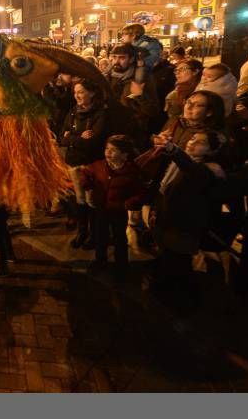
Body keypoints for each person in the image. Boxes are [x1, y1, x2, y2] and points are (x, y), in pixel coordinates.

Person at [149, 131, 226, 309]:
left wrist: (173, 150)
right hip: (166, 223)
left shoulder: (207, 169)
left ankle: (183, 303)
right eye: (192, 138)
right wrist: (155, 211)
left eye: (201, 142)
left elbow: (191, 169)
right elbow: (163, 190)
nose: (193, 142)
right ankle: (165, 294)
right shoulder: (176, 164)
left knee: (180, 266)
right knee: (168, 260)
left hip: (183, 228)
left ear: (211, 150)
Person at [79, 135, 145, 281]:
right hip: (101, 209)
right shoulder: (98, 165)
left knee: (119, 239)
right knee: (100, 236)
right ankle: (100, 261)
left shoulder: (132, 171)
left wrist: (127, 204)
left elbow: (140, 193)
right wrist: (87, 186)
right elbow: (85, 174)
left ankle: (121, 266)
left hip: (118, 211)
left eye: (113, 150)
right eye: (107, 149)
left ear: (124, 154)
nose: (108, 152)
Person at [60, 80, 108, 248]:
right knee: (78, 200)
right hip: (73, 163)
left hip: (90, 164)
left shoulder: (100, 114)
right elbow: (62, 138)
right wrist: (79, 137)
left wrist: (71, 137)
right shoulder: (73, 112)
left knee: (91, 201)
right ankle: (82, 232)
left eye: (80, 92)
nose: (77, 96)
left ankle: (94, 236)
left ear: (92, 93)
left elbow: (93, 141)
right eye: (75, 93)